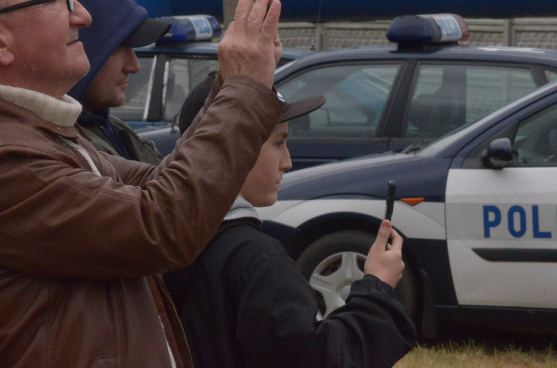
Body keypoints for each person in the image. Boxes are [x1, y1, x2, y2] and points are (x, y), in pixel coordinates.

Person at [0, 0, 284, 367]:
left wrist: (234, 84)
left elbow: (161, 184)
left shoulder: (31, 134)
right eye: (58, 0)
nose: (83, 16)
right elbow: (163, 223)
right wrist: (243, 89)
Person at [164, 76, 418, 367]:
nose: (288, 161)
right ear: (235, 151)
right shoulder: (256, 260)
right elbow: (320, 359)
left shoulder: (164, 238)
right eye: (278, 143)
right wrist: (378, 290)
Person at [60, 0, 170, 164]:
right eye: (119, 48)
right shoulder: (71, 150)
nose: (134, 66)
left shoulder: (110, 127)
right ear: (85, 48)